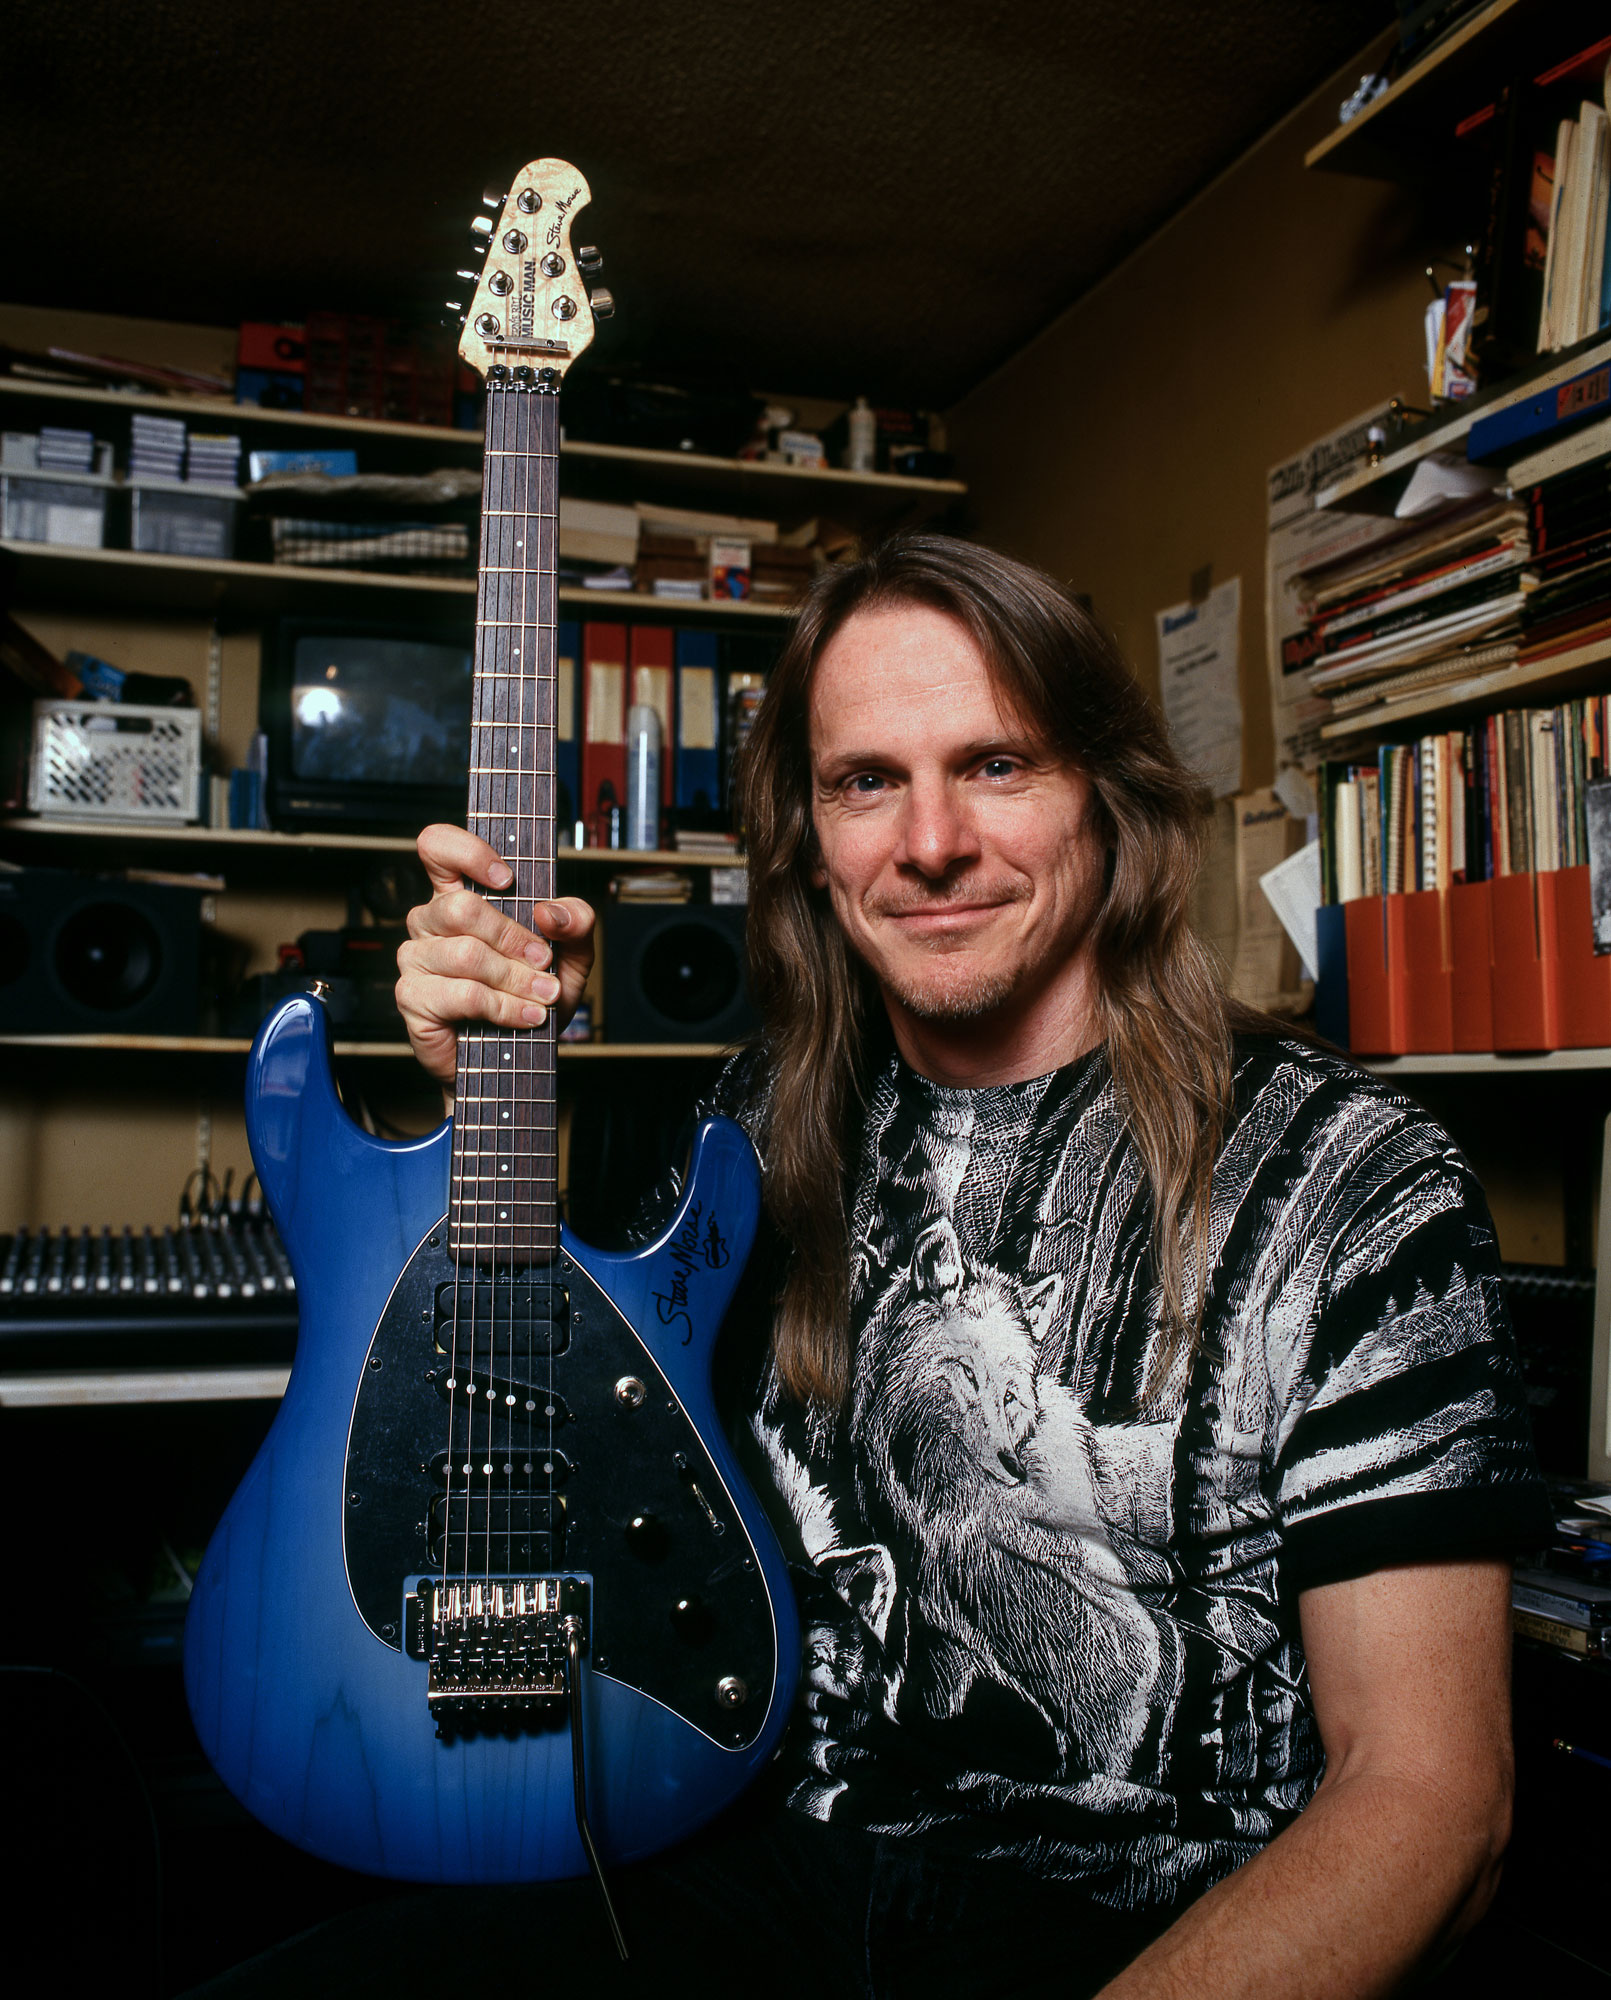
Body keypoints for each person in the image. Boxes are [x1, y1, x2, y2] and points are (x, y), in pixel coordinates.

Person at [389, 533, 1550, 1998]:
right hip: (758, 1871)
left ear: (1110, 800)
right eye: (866, 781)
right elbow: (522, 1458)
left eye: (996, 764)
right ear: (812, 839)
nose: (929, 841)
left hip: (1143, 1932)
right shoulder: (748, 1139)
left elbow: (1433, 1802)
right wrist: (475, 1089)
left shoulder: (1358, 1180)